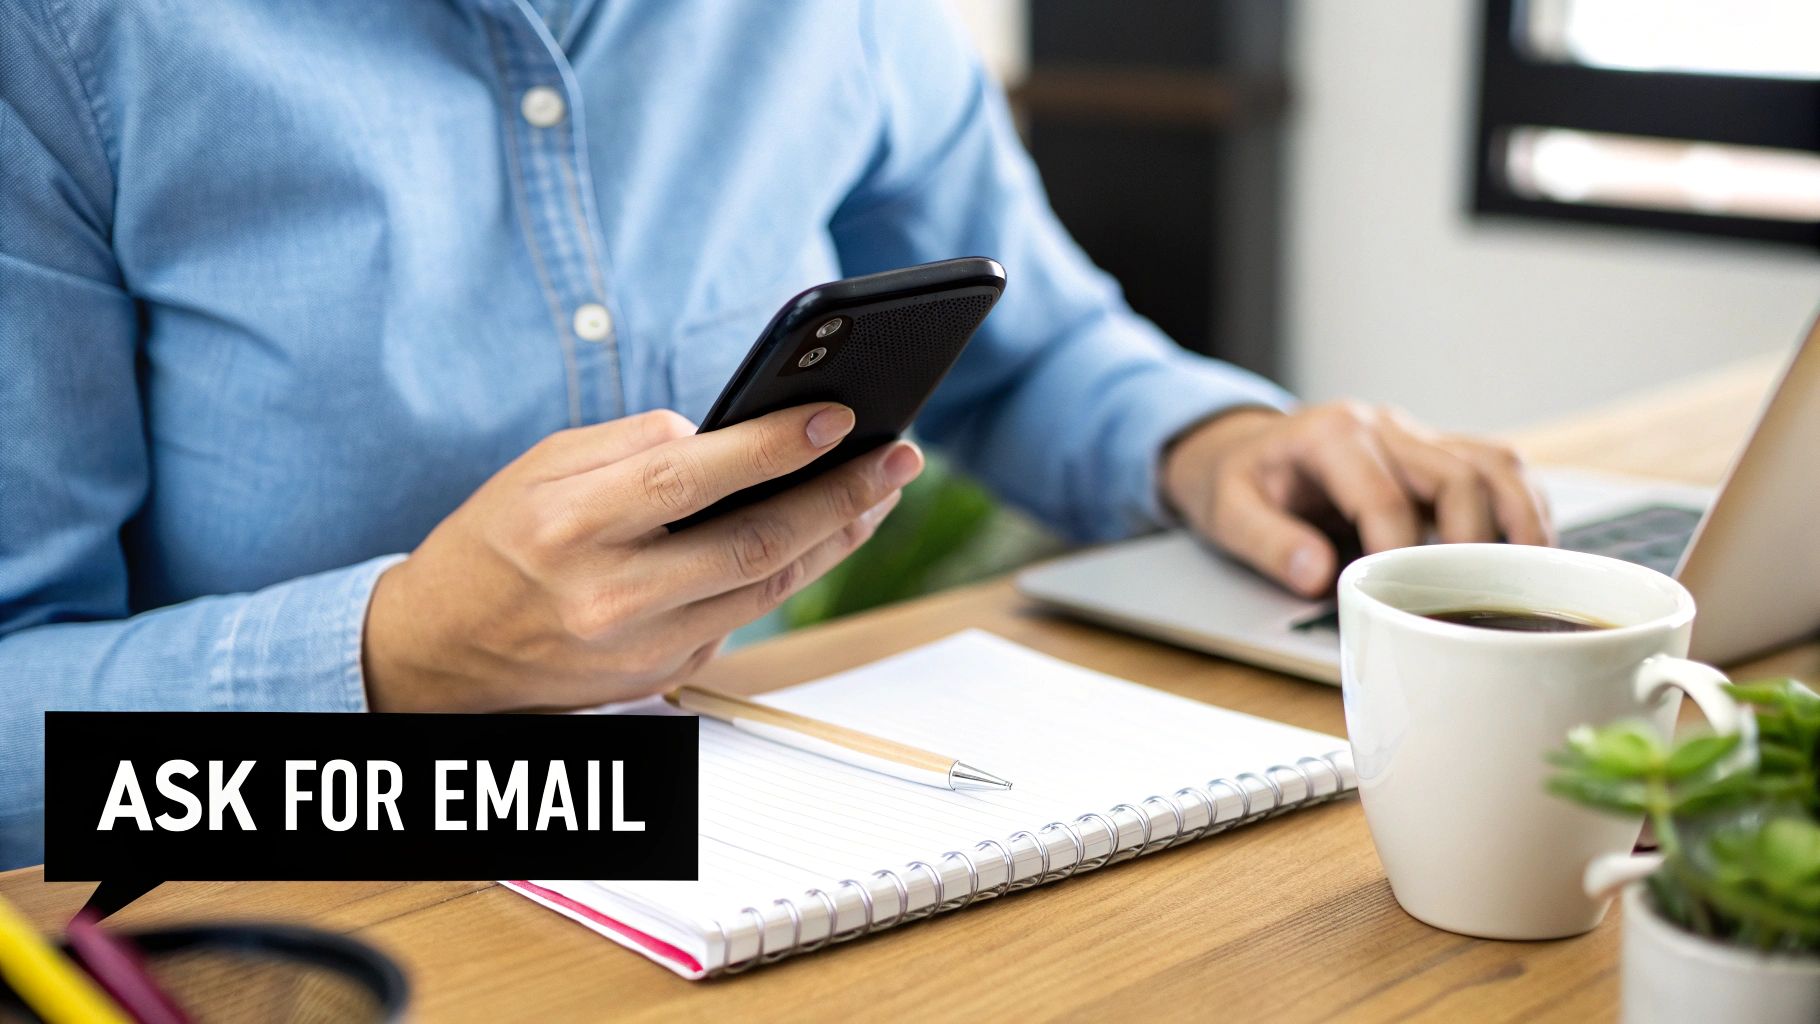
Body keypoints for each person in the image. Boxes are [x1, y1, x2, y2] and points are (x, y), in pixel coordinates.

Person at [0, 1, 1549, 867]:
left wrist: (1208, 440)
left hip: (775, 860)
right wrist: (398, 660)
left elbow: (1040, 350)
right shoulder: (63, 44)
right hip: (286, 905)